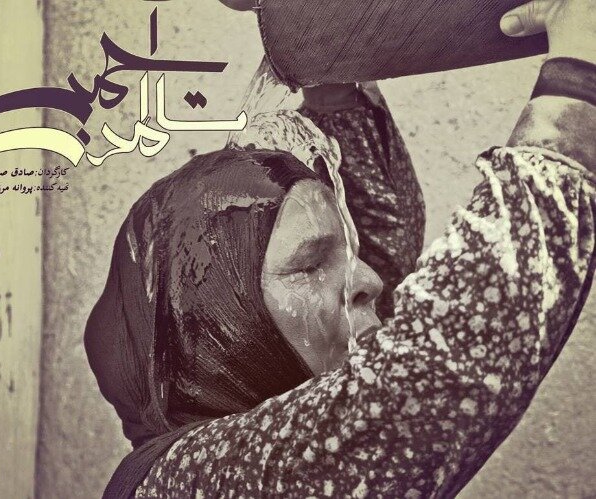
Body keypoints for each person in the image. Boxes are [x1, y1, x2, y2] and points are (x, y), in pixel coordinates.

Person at [85, 0, 595, 496]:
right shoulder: (183, 482)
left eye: (349, 257)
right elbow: (424, 380)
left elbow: (384, 240)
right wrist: (576, 83)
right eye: (308, 267)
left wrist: (325, 47)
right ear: (212, 328)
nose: (370, 281)